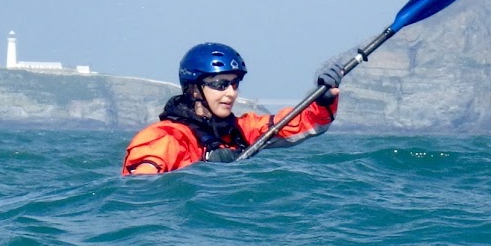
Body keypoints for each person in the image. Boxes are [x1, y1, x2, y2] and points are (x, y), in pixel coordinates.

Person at [122, 42, 345, 176]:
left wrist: (322, 101)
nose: (231, 93)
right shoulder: (165, 138)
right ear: (194, 90)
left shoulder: (239, 129)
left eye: (234, 84)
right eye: (220, 85)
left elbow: (299, 124)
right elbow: (140, 194)